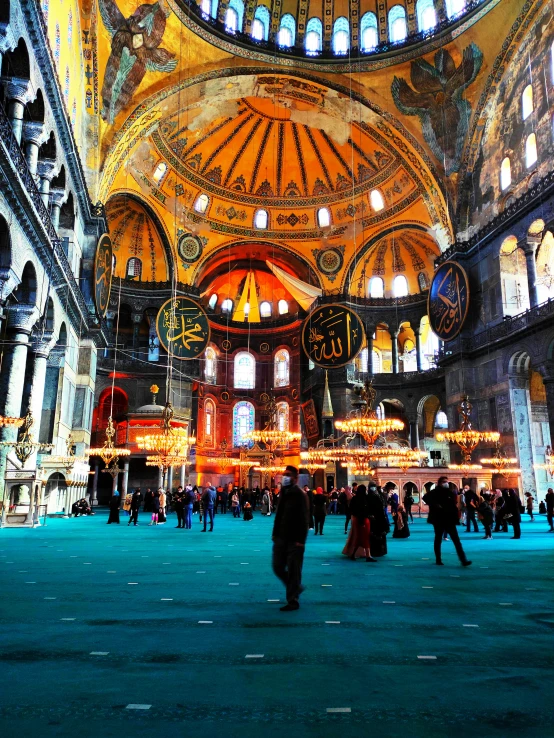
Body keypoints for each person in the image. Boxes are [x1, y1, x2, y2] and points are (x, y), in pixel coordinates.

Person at [272, 465, 309, 611]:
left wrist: (301, 540)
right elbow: (279, 515)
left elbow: (305, 519)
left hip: (295, 539)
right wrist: (275, 534)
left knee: (294, 570)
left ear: (295, 478)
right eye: (284, 474)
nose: (285, 477)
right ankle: (295, 587)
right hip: (281, 537)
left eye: (288, 474)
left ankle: (293, 600)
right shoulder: (284, 492)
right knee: (277, 567)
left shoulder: (300, 495)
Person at [423, 476, 472, 567]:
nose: (446, 483)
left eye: (447, 481)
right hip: (438, 519)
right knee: (438, 539)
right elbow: (425, 498)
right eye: (444, 482)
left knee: (456, 540)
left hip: (449, 519)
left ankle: (463, 560)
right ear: (440, 483)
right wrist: (436, 505)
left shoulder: (449, 492)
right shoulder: (434, 493)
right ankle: (438, 559)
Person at [342, 484, 375, 561]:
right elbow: (367, 509)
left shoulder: (355, 498)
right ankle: (368, 556)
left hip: (356, 520)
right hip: (364, 520)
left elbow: (351, 509)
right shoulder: (365, 499)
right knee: (366, 538)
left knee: (357, 537)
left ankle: (353, 554)